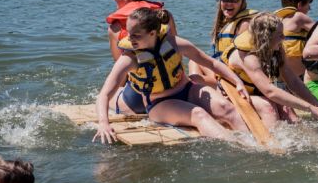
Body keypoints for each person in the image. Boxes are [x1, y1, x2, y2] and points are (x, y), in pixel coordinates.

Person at [93, 8, 253, 143]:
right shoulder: (130, 58)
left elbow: (211, 63)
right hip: (160, 104)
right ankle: (239, 149)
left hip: (187, 89)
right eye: (129, 33)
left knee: (227, 108)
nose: (130, 38)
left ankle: (254, 142)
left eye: (136, 35)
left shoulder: (174, 43)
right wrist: (103, 123)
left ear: (152, 33)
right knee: (198, 114)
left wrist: (237, 82)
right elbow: (104, 94)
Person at [224, 12, 318, 129]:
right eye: (279, 35)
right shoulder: (248, 57)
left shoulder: (277, 49)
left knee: (290, 113)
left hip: (258, 89)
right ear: (266, 37)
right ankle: (271, 145)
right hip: (236, 92)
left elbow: (293, 81)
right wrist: (309, 108)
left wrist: (317, 105)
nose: (284, 38)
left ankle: (309, 144)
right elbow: (270, 91)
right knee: (269, 107)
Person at [105, 0, 176, 62]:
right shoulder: (164, 15)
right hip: (172, 75)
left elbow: (118, 64)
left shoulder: (115, 28)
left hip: (139, 77)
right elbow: (177, 51)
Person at [190, 0, 257, 85]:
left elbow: (239, 60)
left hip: (233, 79)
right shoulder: (227, 22)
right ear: (220, 1)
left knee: (193, 80)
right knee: (194, 60)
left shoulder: (244, 24)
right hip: (223, 71)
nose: (229, 3)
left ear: (243, 3)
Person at [275, 0, 315, 78]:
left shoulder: (279, 20)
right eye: (308, 5)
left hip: (281, 78)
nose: (310, 8)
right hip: (298, 79)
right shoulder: (299, 17)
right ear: (300, 5)